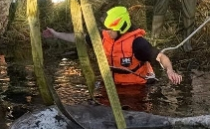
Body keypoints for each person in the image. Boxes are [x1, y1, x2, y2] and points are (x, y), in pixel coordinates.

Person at [43, 6, 182, 85]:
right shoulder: (104, 37)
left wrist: (170, 70)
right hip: (113, 85)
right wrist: (56, 34)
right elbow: (79, 38)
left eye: (111, 29)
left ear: (122, 28)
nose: (107, 32)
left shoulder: (138, 43)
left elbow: (161, 57)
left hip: (137, 88)